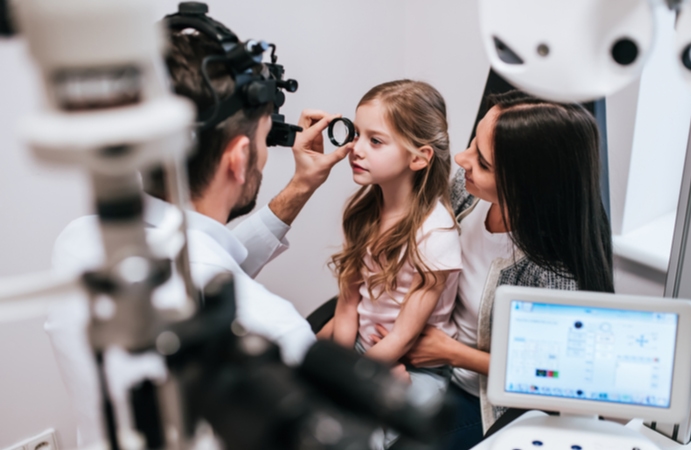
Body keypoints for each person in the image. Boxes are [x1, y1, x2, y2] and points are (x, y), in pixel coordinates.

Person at [44, 26, 349, 446]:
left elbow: (205, 262)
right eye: (263, 141)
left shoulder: (78, 244)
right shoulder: (276, 335)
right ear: (239, 158)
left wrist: (300, 187)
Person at [370, 91, 615, 449]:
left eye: (482, 163)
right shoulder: (467, 193)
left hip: (475, 392)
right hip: (424, 353)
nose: (461, 159)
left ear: (527, 187)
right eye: (472, 143)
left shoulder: (554, 277)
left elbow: (553, 376)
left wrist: (450, 352)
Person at [329, 80, 462, 448]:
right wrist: (346, 366)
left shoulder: (436, 235)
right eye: (356, 135)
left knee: (371, 438)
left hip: (418, 366)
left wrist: (359, 377)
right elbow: (347, 305)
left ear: (418, 158)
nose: (355, 149)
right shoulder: (363, 211)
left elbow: (404, 335)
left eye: (375, 141)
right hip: (362, 348)